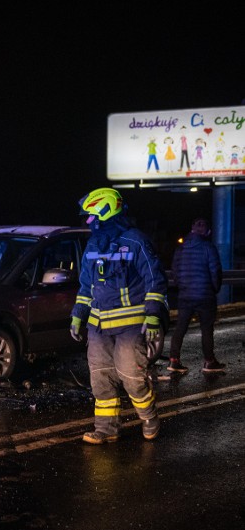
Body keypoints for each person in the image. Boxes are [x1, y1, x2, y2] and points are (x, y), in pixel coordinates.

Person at [69, 187, 168, 444]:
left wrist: (154, 315)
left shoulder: (136, 241)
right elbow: (85, 285)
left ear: (105, 210)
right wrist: (79, 314)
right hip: (99, 326)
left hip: (129, 326)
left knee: (132, 377)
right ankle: (105, 429)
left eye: (91, 216)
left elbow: (155, 280)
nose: (88, 221)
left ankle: (149, 417)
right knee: (100, 378)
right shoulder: (93, 244)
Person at [167, 217, 225, 375]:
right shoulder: (208, 247)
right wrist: (214, 288)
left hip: (185, 295)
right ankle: (209, 361)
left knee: (180, 328)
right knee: (206, 329)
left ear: (192, 229)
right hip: (205, 295)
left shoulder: (181, 248)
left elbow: (174, 271)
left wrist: (182, 286)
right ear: (207, 231)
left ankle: (174, 360)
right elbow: (215, 271)